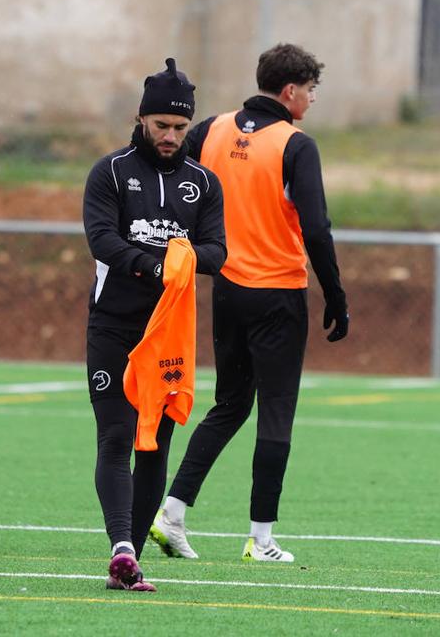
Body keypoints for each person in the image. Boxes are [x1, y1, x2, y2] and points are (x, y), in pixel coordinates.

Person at [150, 42, 350, 564]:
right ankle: (261, 540)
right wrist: (334, 292)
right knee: (276, 412)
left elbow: (169, 178)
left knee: (230, 405)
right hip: (278, 293)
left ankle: (171, 514)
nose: (311, 100)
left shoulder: (211, 128)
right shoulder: (295, 144)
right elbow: (317, 226)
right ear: (290, 91)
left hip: (227, 290)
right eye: (310, 90)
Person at [83, 58, 225, 592]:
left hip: (168, 334)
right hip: (114, 326)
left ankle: (132, 558)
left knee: (156, 445)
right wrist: (156, 262)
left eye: (180, 128)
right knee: (117, 435)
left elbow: (217, 250)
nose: (170, 136)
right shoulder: (111, 172)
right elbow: (103, 241)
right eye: (161, 125)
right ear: (141, 120)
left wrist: (184, 257)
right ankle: (121, 545)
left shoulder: (204, 182)